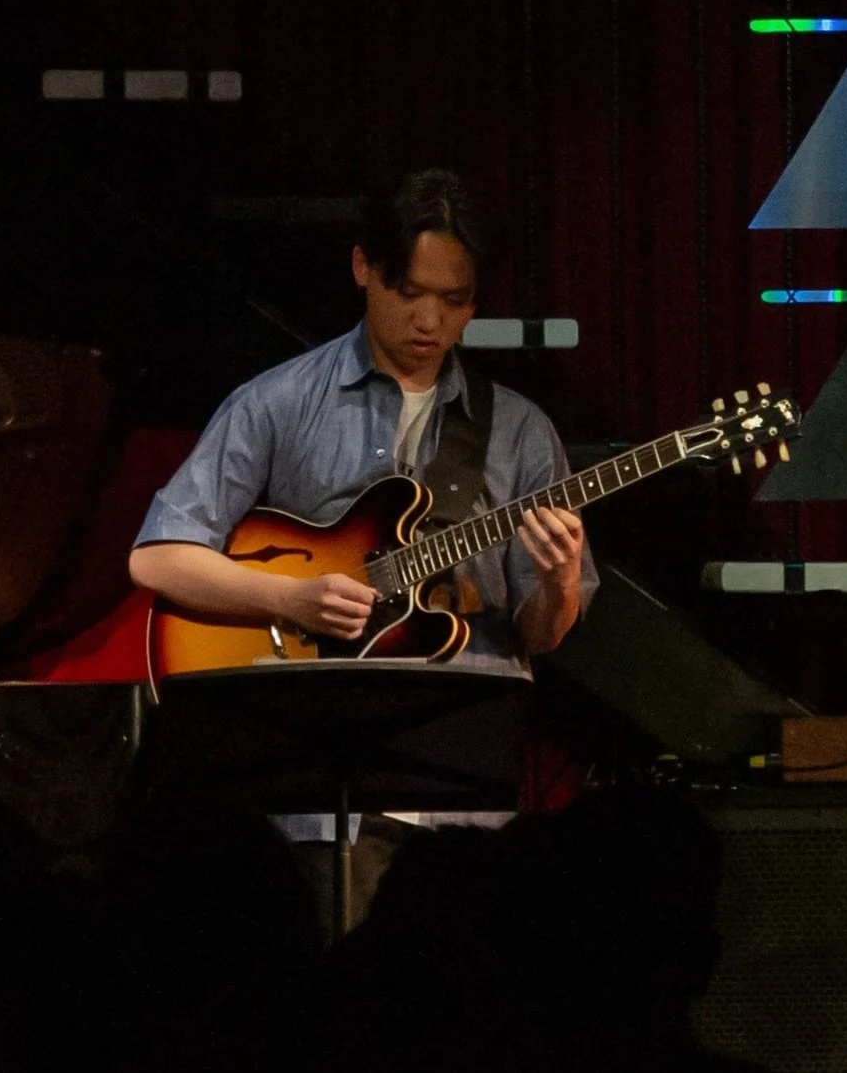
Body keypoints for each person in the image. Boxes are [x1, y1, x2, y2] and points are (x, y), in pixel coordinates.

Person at [128, 167, 599, 927]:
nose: (430, 320)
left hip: (464, 807)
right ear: (362, 267)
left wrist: (560, 580)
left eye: (455, 301)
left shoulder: (519, 431)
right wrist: (289, 597)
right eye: (409, 292)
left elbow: (540, 636)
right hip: (319, 806)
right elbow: (157, 555)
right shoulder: (278, 402)